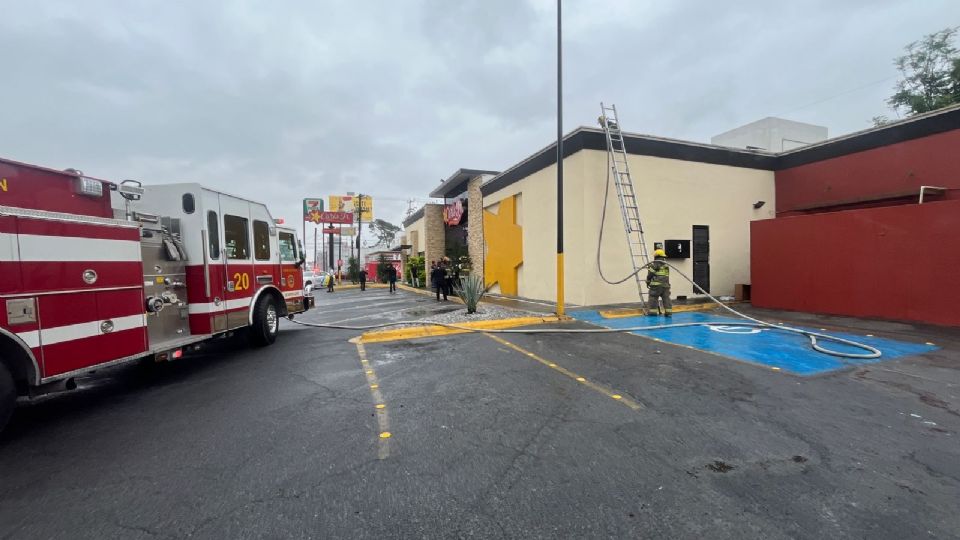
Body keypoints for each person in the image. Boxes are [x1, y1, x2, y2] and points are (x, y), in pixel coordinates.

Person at [645, 249, 672, 317]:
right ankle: (668, 313)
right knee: (666, 299)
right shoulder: (666, 265)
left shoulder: (655, 264)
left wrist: (648, 281)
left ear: (656, 256)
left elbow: (650, 274)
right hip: (666, 285)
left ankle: (652, 313)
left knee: (653, 298)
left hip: (656, 286)